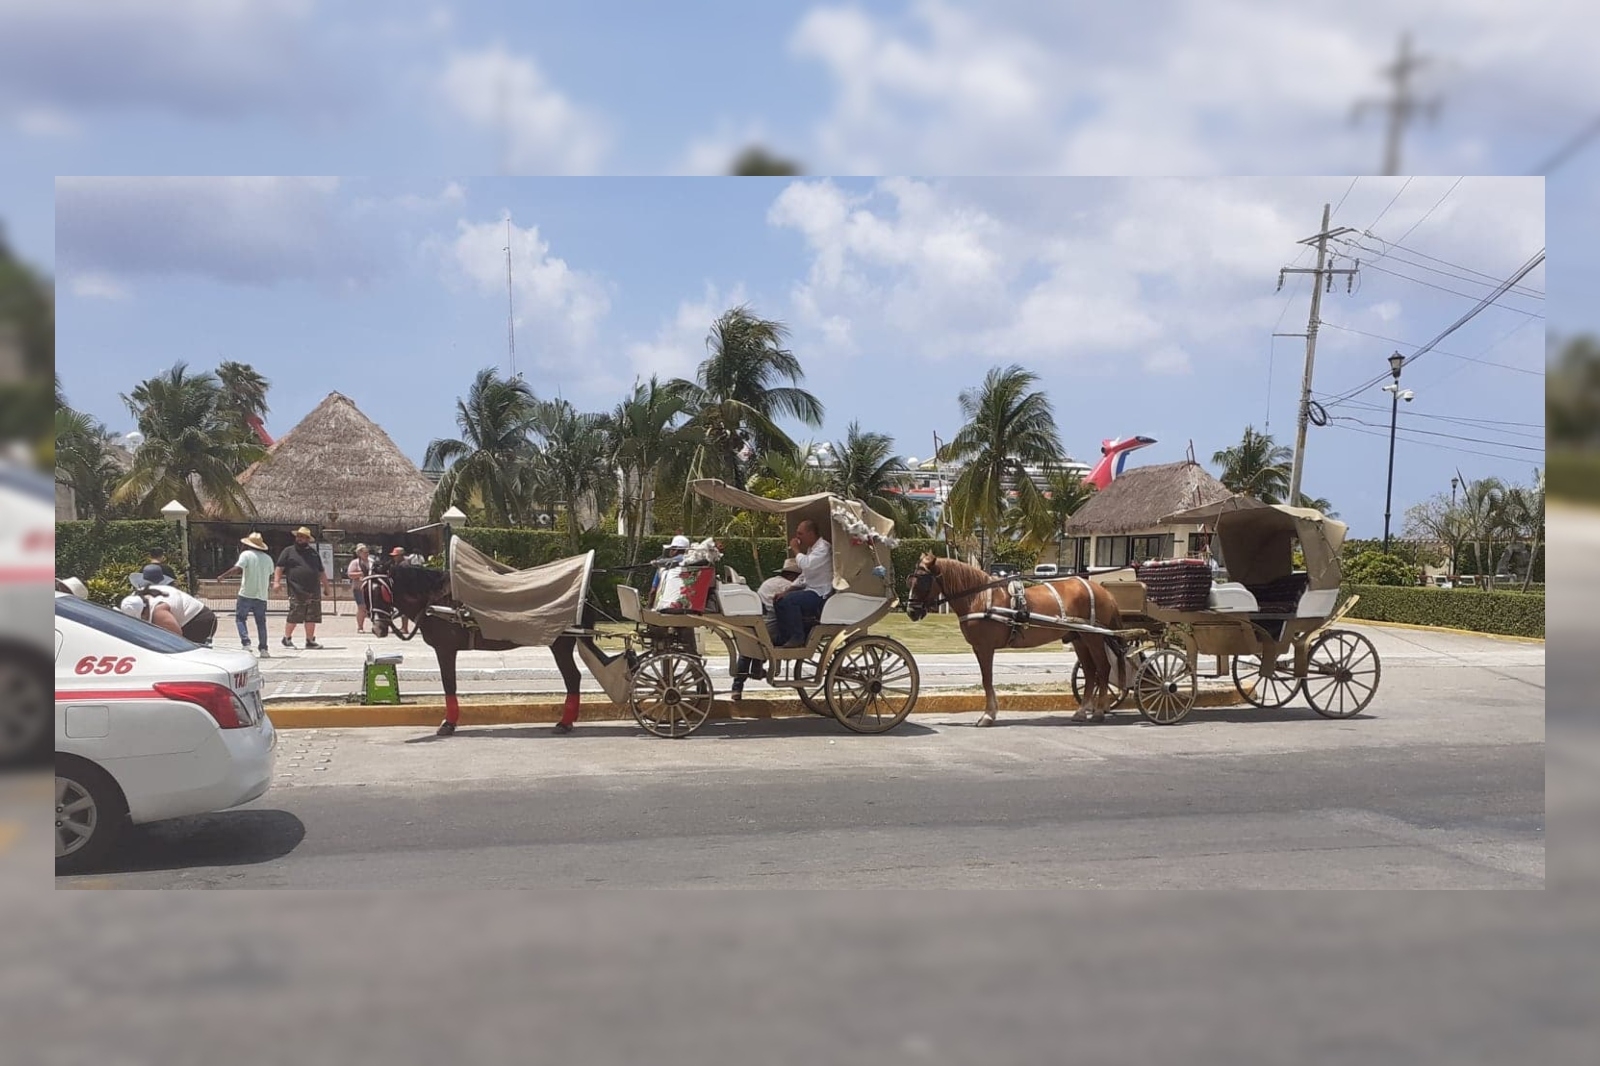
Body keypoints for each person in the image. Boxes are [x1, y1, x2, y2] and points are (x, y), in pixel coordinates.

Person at [731, 559, 800, 701]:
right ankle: (757, 667)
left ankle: (737, 687)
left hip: (756, 623)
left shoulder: (769, 582)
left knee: (746, 653)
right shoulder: (789, 586)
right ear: (794, 576)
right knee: (785, 635)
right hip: (769, 627)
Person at [118, 565, 217, 644]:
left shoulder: (159, 610)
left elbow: (176, 639)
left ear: (145, 610)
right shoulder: (136, 596)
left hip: (199, 621)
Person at [773, 518, 833, 648]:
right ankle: (785, 637)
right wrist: (787, 591)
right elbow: (804, 577)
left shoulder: (823, 548)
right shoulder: (812, 549)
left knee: (790, 601)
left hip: (820, 594)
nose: (797, 537)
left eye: (800, 534)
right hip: (811, 590)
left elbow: (806, 565)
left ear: (811, 534)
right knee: (780, 599)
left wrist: (795, 549)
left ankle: (797, 637)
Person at [215, 531, 274, 656]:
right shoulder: (268, 559)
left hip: (246, 593)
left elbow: (238, 569)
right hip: (262, 595)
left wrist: (223, 576)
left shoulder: (246, 554)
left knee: (240, 619)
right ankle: (264, 649)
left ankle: (246, 643)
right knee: (261, 622)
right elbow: (270, 574)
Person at [274, 526, 332, 650]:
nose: (300, 539)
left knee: (312, 616)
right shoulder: (288, 551)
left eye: (303, 537)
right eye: (298, 536)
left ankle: (310, 640)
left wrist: (326, 587)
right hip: (296, 590)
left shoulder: (313, 553)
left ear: (307, 539)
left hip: (314, 590)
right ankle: (287, 638)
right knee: (295, 615)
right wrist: (276, 582)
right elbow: (279, 567)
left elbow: (321, 571)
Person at [347, 544, 373, 634]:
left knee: (370, 608)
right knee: (361, 607)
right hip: (359, 588)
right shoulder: (355, 562)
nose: (367, 554)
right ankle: (360, 627)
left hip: (370, 588)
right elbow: (350, 574)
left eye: (367, 552)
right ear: (359, 553)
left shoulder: (371, 562)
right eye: (364, 552)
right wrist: (361, 574)